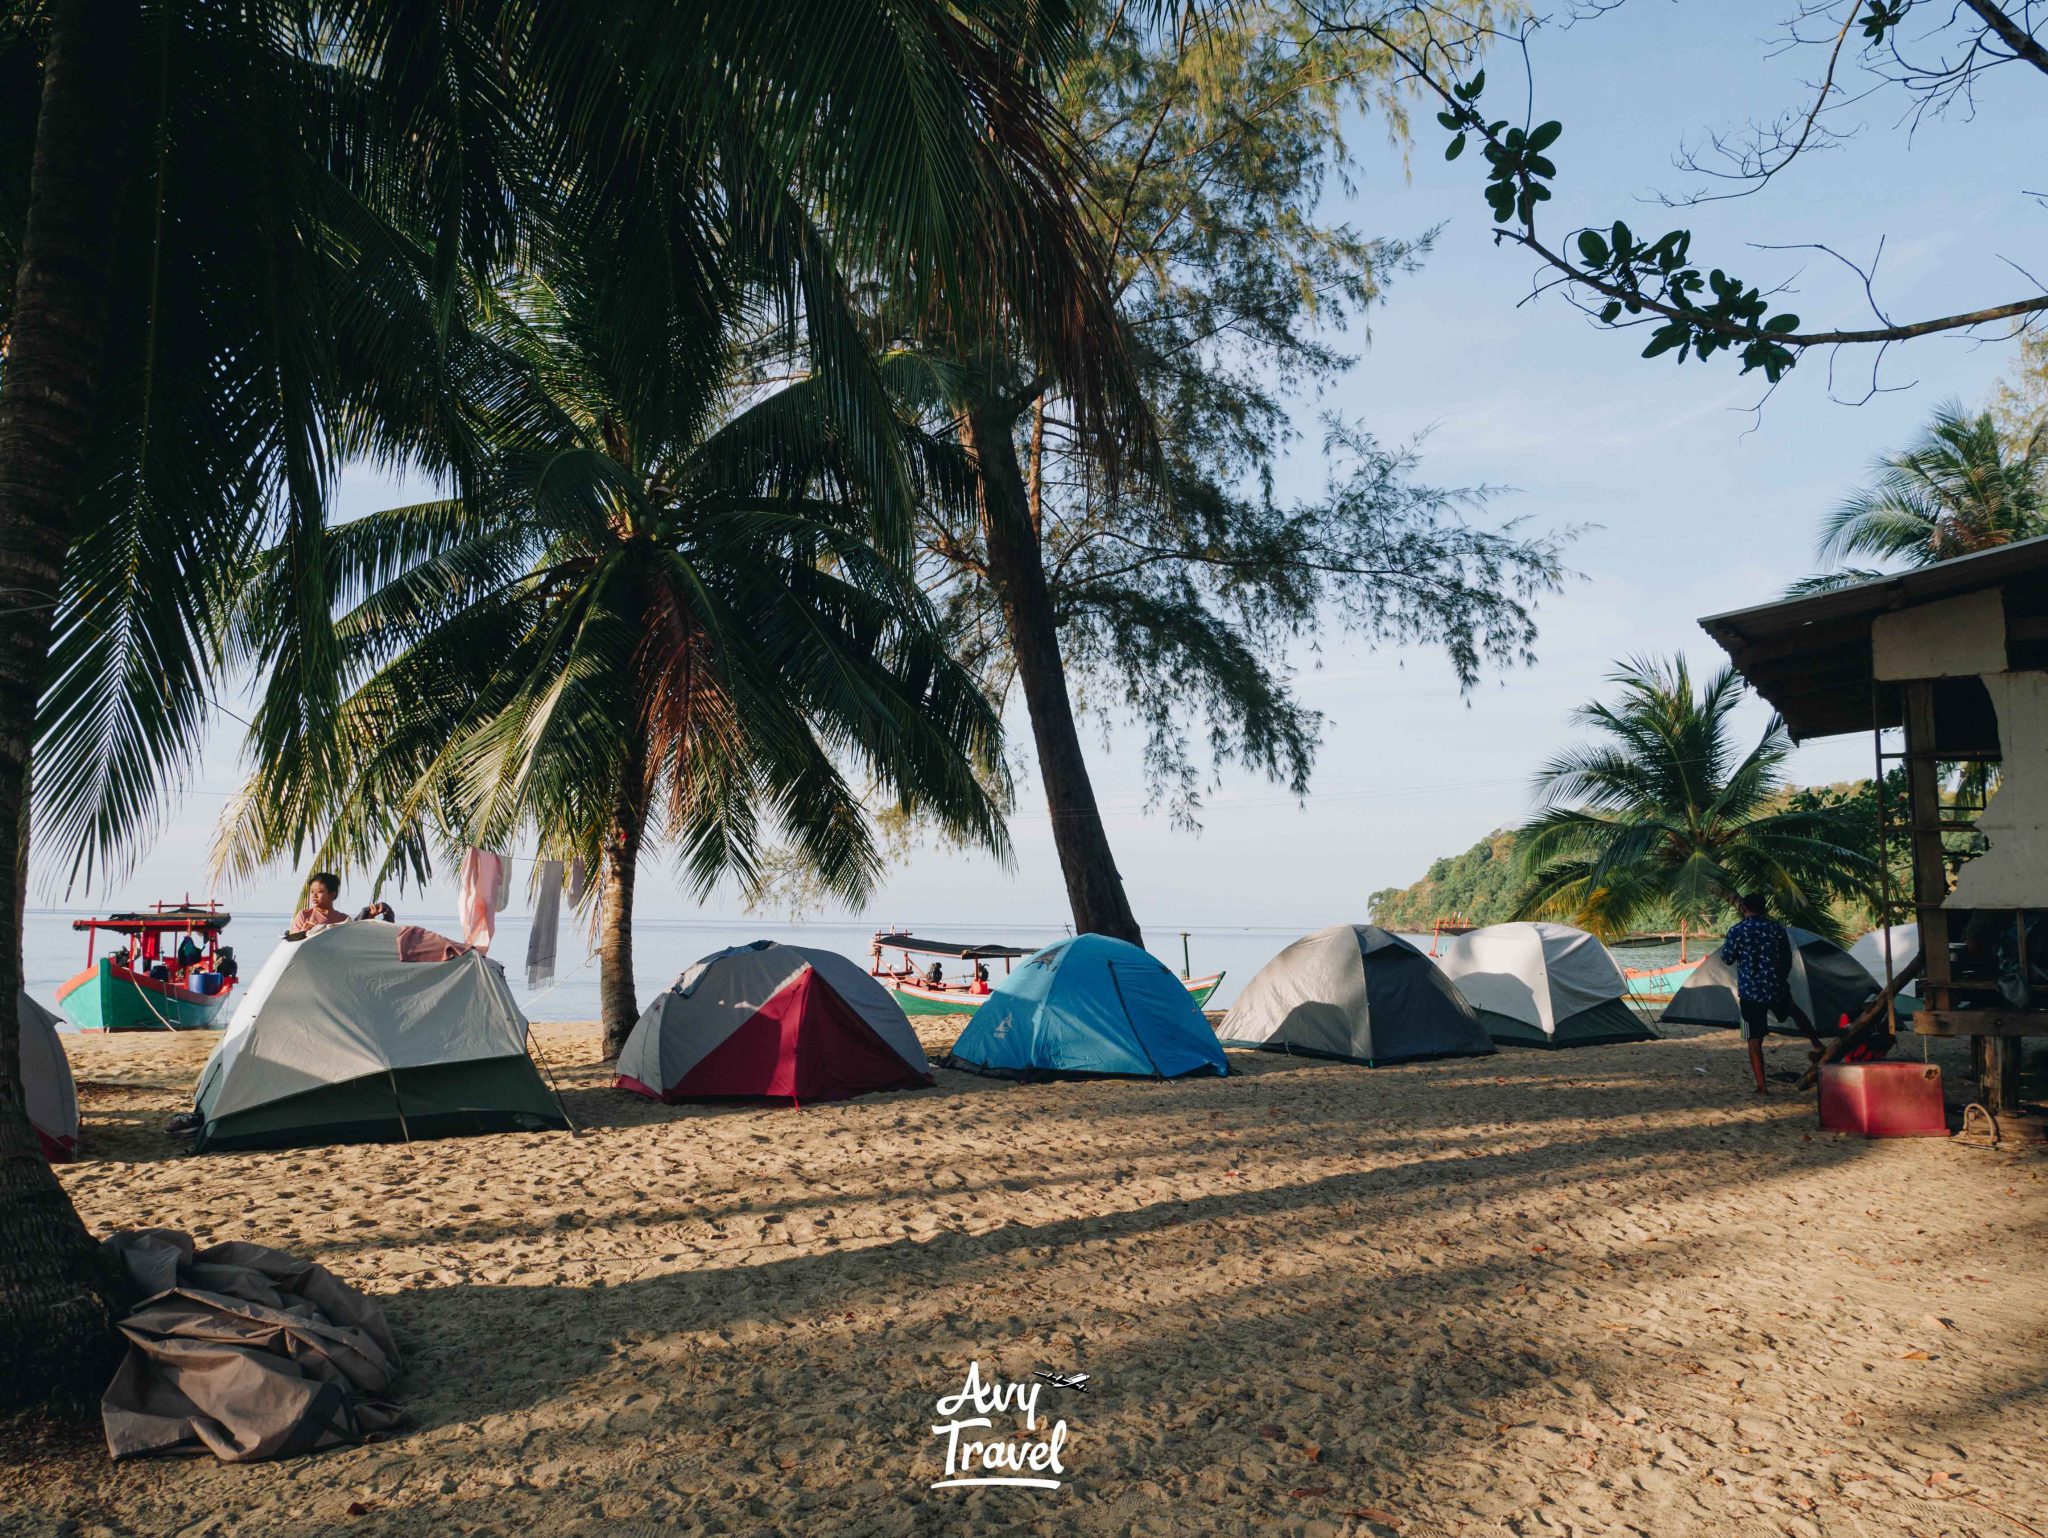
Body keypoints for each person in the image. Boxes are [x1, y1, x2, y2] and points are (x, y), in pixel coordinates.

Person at [1719, 892, 1821, 1093]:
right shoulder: (1776, 929)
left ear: (1745, 909)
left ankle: (1762, 1086)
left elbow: (1727, 958)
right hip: (1775, 986)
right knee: (1793, 1010)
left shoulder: (1737, 930)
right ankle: (1816, 1044)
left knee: (1754, 1039)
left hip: (1750, 992)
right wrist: (1780, 978)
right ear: (1764, 909)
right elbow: (1786, 958)